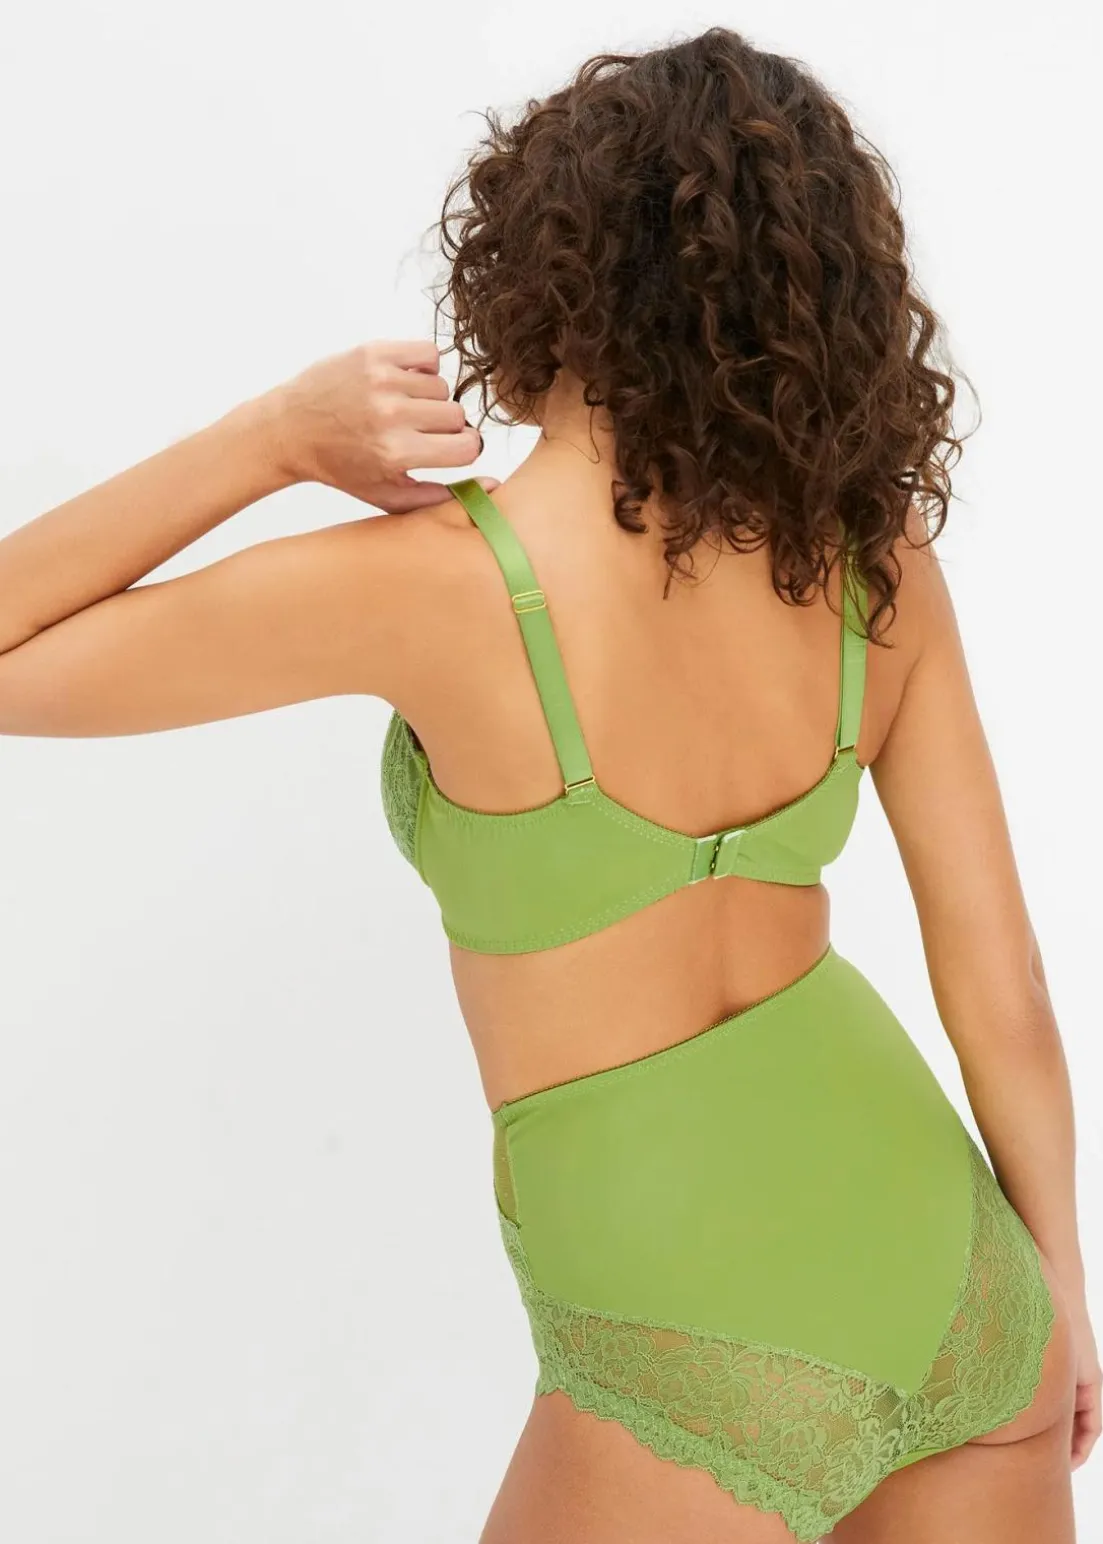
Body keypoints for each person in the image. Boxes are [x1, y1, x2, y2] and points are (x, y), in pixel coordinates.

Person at [0, 24, 1096, 1544]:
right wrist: (1057, 1292)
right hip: (959, 1286)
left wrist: (271, 439)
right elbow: (1003, 982)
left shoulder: (449, 586)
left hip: (689, 1327)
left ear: (543, 270)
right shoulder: (870, 561)